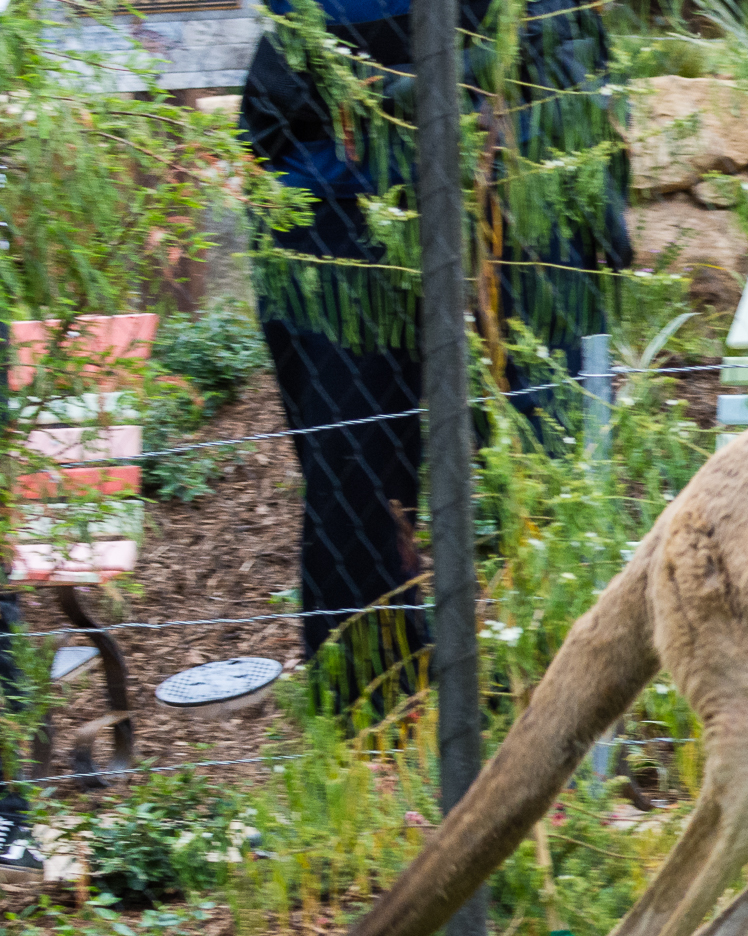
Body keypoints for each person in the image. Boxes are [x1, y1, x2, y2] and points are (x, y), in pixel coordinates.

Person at [241, 0, 629, 682]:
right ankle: (378, 697)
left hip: (521, 150)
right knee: (353, 468)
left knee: (550, 446)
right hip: (335, 184)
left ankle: (570, 678)